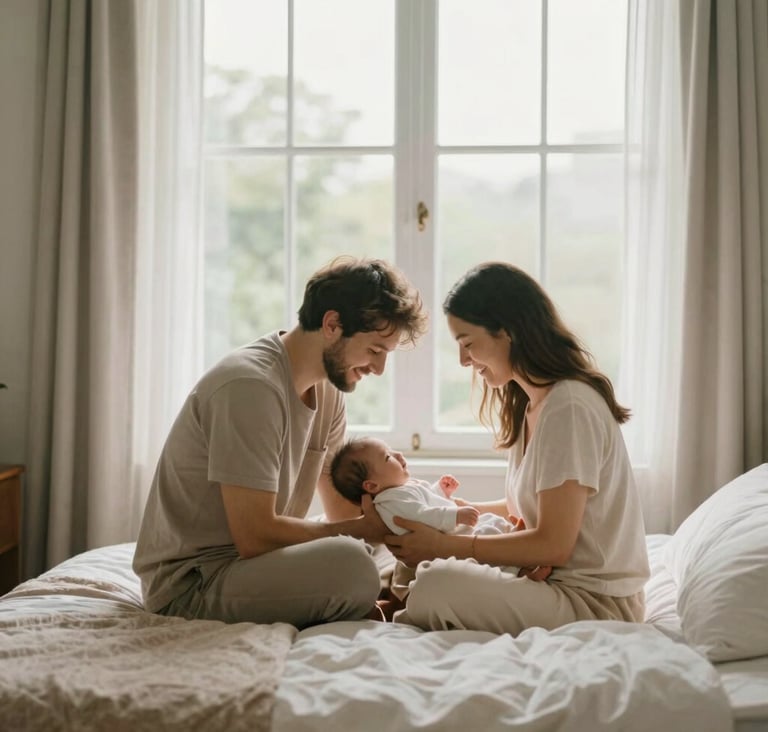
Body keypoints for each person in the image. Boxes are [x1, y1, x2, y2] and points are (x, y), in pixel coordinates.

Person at [132, 256, 427, 629]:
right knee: (352, 565)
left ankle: (386, 596)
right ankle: (372, 598)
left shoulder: (329, 392)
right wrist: (360, 540)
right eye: (374, 350)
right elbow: (254, 536)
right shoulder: (250, 387)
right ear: (332, 325)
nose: (380, 369)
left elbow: (343, 516)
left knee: (388, 552)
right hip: (198, 580)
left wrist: (406, 527)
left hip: (256, 560)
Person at [385, 262, 650, 636]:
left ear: (507, 332)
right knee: (420, 562)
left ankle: (399, 603)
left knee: (436, 583)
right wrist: (446, 513)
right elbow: (522, 510)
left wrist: (447, 543)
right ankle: (394, 597)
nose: (463, 360)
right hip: (552, 584)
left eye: (468, 343)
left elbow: (553, 544)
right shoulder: (532, 404)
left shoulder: (569, 407)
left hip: (594, 602)